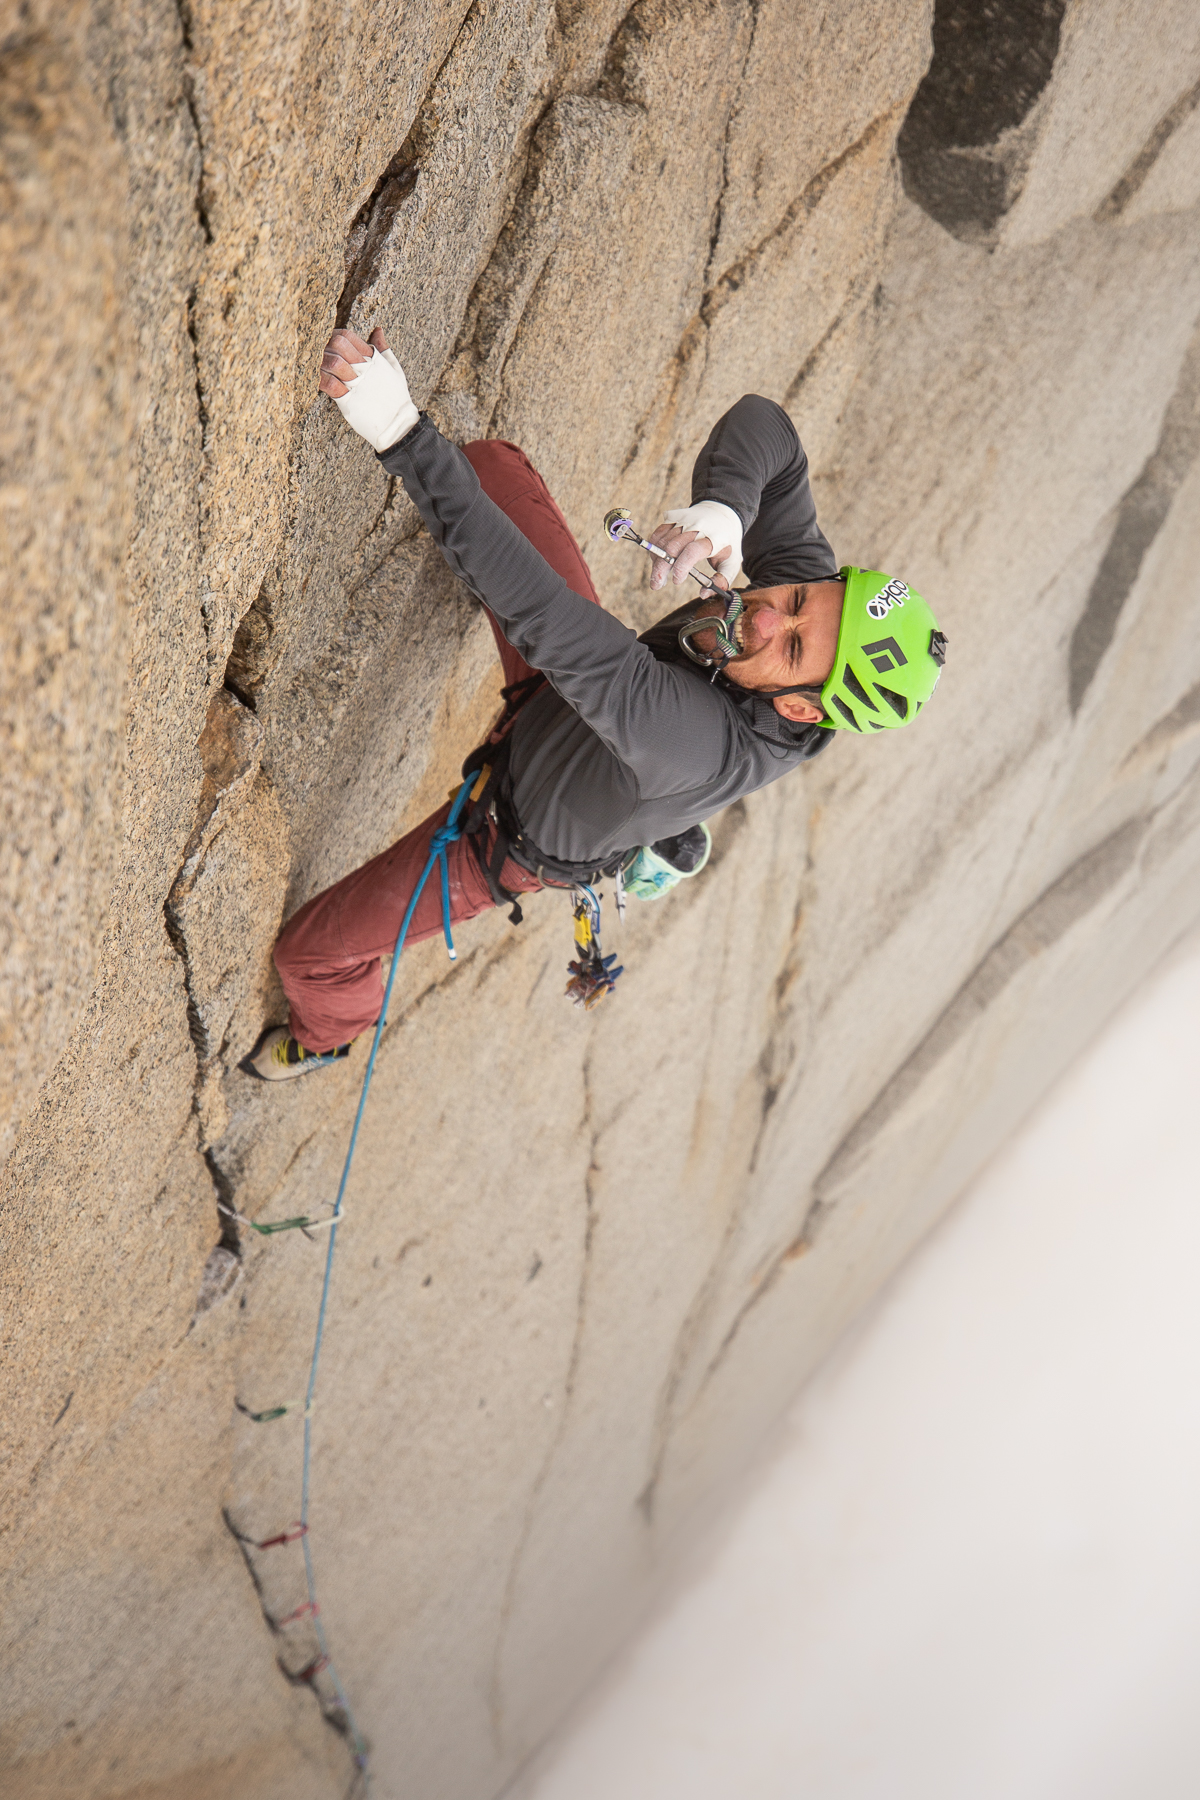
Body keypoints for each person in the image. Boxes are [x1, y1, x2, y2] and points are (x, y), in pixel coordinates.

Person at [249, 326, 946, 1079]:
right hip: (565, 707)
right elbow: (766, 428)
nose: (772, 617)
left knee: (308, 956)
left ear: (803, 709)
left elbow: (549, 621)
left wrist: (400, 433)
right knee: (490, 468)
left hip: (504, 834)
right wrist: (727, 510)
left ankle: (325, 1038)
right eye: (801, 599)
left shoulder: (693, 743)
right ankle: (653, 815)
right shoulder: (805, 606)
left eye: (793, 650)